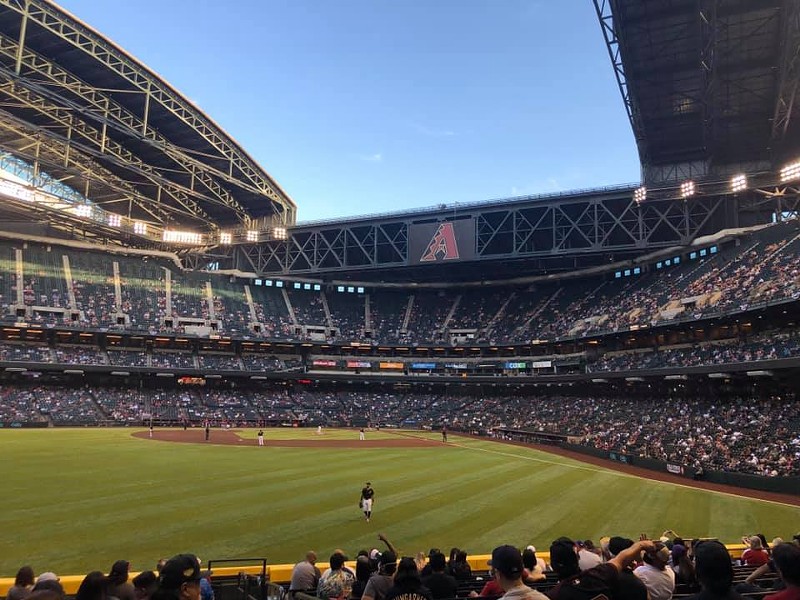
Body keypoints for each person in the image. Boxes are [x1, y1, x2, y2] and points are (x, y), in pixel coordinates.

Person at [548, 537, 656, 600]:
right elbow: (621, 559)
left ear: (553, 566)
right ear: (577, 559)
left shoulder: (553, 595)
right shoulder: (598, 575)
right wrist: (641, 545)